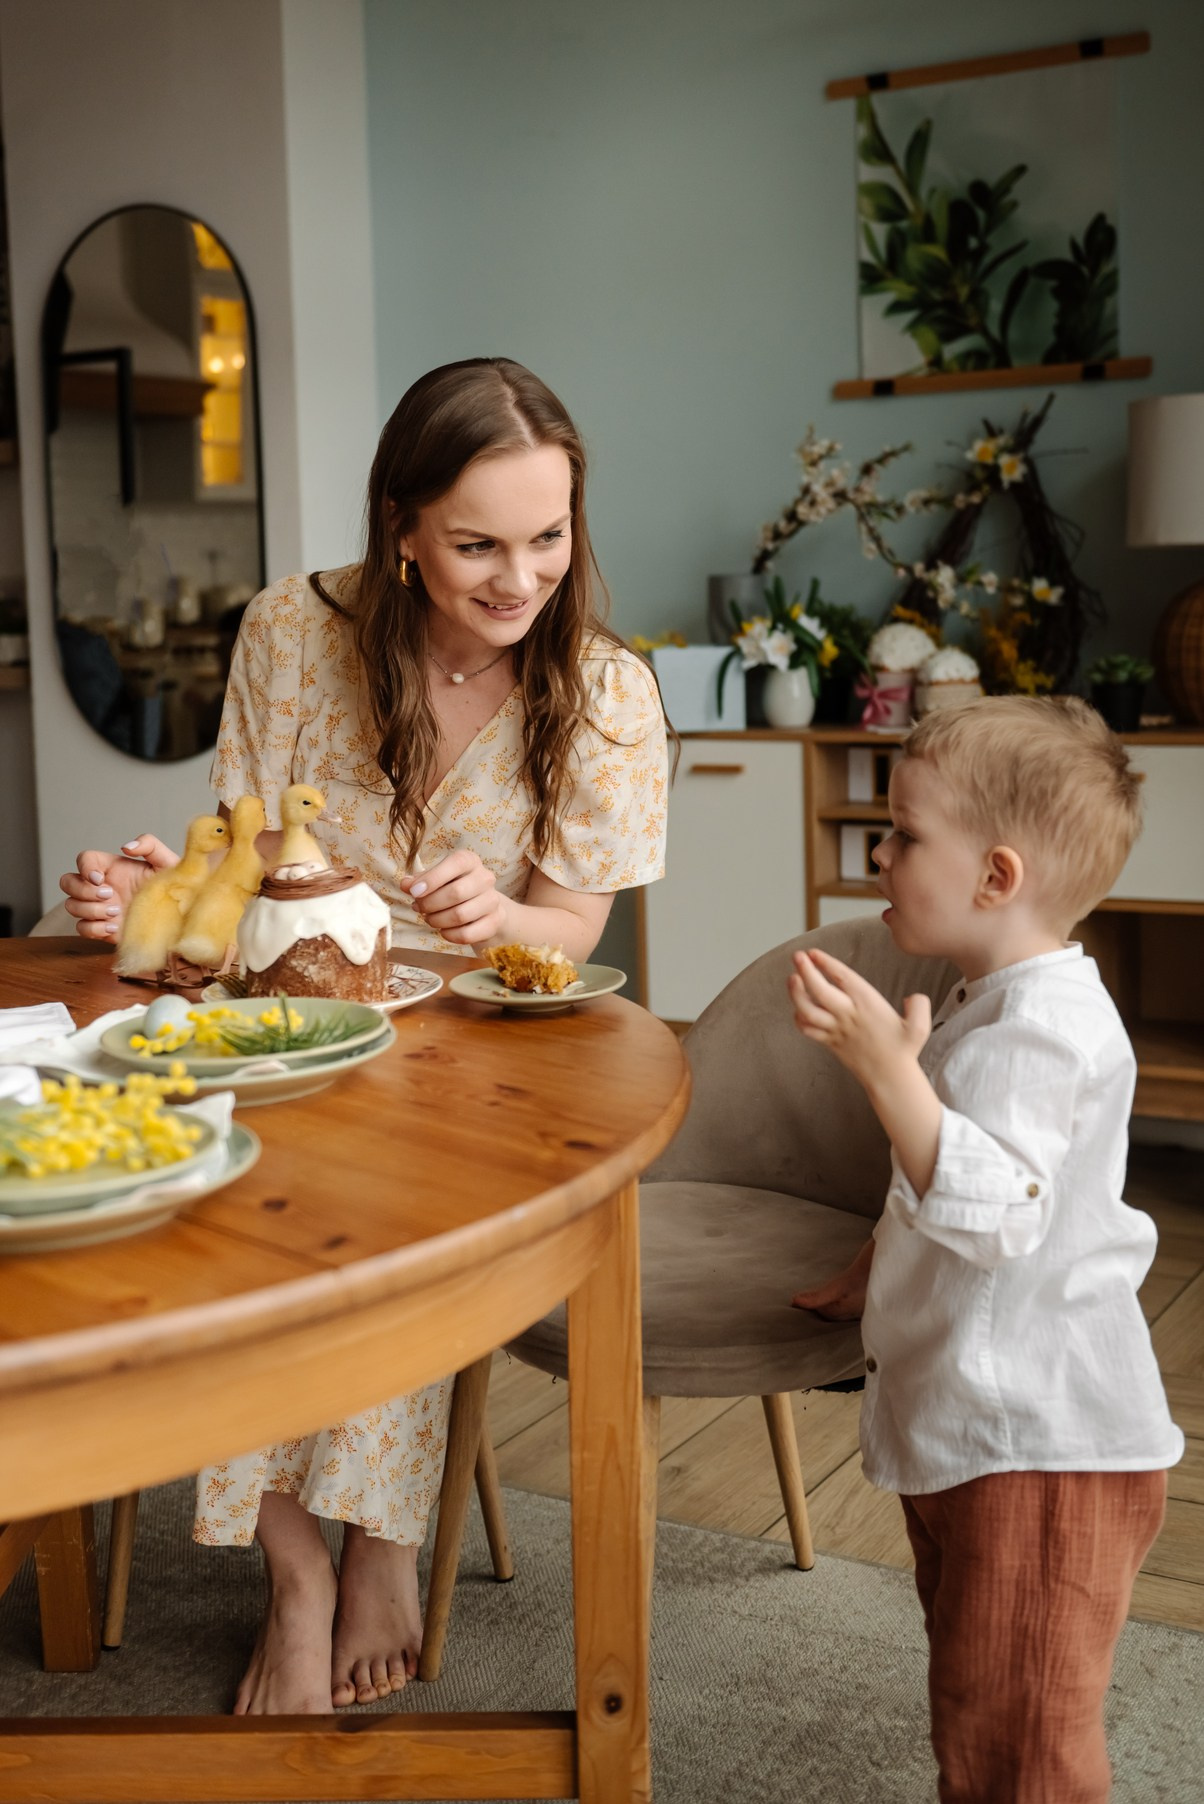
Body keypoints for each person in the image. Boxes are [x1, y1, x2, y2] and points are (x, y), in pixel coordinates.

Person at [57, 357, 669, 1715]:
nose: (522, 579)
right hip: (286, 1013)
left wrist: (502, 912)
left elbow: (572, 926)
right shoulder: (291, 630)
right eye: (478, 546)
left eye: (548, 537)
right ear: (401, 525)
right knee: (228, 1193)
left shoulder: (607, 690)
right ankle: (297, 1569)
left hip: (481, 1034)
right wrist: (146, 896)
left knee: (393, 1196)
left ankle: (382, 1539)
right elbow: (234, 865)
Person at [786, 696, 1183, 1804]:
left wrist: (888, 1073)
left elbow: (999, 1209)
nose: (880, 852)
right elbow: (933, 1189)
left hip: (1038, 1449)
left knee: (1020, 1748)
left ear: (996, 877)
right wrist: (866, 1275)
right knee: (979, 1695)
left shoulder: (1040, 1029)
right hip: (985, 1437)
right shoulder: (995, 998)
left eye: (905, 834)